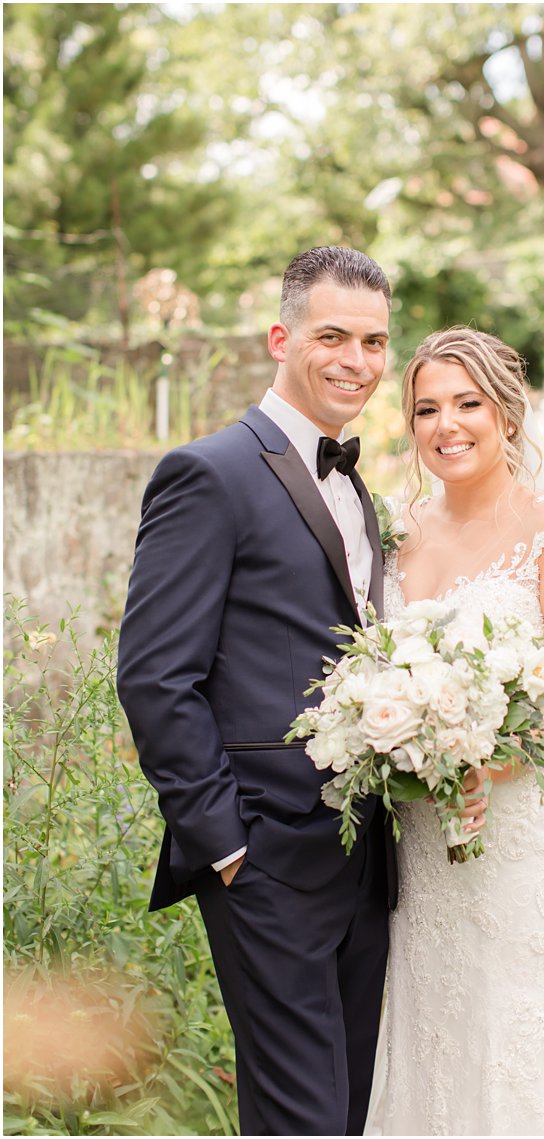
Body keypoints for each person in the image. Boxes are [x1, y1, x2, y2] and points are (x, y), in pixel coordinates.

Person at [117, 246, 398, 1134]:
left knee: (350, 1108)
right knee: (300, 1118)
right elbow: (155, 674)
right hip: (267, 860)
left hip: (367, 859)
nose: (358, 360)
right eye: (333, 336)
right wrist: (226, 846)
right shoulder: (209, 473)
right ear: (282, 337)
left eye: (376, 341)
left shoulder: (359, 491)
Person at [363, 327, 544, 1135]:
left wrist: (490, 763)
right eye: (427, 408)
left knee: (524, 1039)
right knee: (433, 1026)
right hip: (425, 840)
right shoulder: (394, 532)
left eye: (467, 403)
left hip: (521, 834)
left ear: (506, 414)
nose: (446, 424)